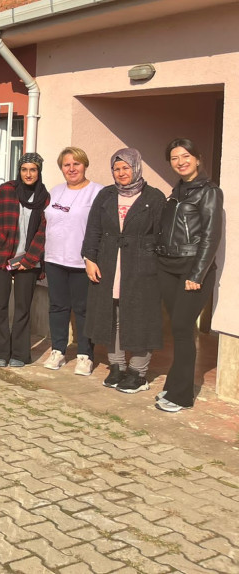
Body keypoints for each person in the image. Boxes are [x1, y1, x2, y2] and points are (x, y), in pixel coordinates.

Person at [82, 148, 165, 394]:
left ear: (136, 167)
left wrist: (156, 264)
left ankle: (138, 372)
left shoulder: (154, 197)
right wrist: (90, 258)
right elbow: (93, 229)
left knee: (140, 317)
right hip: (108, 264)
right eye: (116, 169)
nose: (121, 173)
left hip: (141, 268)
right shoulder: (106, 195)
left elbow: (162, 235)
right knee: (112, 317)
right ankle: (117, 366)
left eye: (126, 168)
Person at [155, 138, 223, 413]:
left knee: (183, 329)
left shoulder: (210, 192)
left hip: (192, 269)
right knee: (178, 328)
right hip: (167, 266)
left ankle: (182, 395)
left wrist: (197, 273)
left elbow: (210, 236)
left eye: (185, 156)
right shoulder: (177, 190)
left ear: (197, 158)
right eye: (174, 158)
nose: (180, 162)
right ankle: (174, 385)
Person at [0, 153, 50, 368]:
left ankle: (20, 354)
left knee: (23, 307)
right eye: (24, 169)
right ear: (19, 171)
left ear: (39, 172)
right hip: (1, 256)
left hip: (28, 260)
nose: (28, 174)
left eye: (33, 170)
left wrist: (29, 259)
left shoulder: (44, 197)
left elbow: (43, 231)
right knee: (0, 304)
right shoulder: (6, 191)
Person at [42, 148, 104, 375]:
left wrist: (93, 257)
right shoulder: (55, 191)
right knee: (57, 307)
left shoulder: (97, 192)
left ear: (85, 165)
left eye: (76, 164)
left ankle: (85, 355)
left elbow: (101, 229)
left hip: (82, 261)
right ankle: (58, 350)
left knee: (83, 309)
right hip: (54, 258)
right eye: (66, 165)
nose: (71, 169)